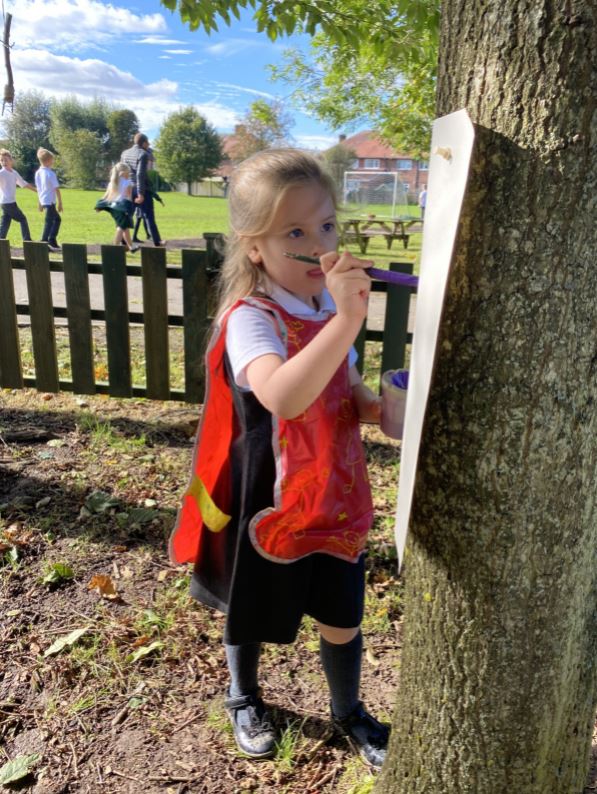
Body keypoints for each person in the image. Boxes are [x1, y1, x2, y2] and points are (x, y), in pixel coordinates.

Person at [169, 149, 390, 768]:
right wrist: (348, 320)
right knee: (252, 604)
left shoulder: (325, 311)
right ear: (256, 247)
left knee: (342, 610)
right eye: (294, 232)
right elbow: (284, 396)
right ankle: (243, 695)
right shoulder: (251, 316)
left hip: (334, 497)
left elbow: (348, 391)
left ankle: (349, 710)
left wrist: (385, 408)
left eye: (325, 226)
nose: (318, 244)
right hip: (265, 497)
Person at [121, 132, 164, 247]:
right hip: (139, 188)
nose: (149, 145)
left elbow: (122, 172)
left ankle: (123, 241)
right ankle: (157, 241)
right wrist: (140, 193)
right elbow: (140, 174)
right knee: (149, 215)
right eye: (148, 142)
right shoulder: (143, 154)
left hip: (127, 188)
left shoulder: (124, 153)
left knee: (127, 215)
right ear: (143, 143)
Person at [94, 162, 138, 253]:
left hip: (114, 208)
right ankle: (115, 248)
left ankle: (131, 246)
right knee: (121, 227)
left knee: (125, 227)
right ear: (124, 172)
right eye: (128, 172)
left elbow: (105, 196)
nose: (129, 174)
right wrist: (129, 210)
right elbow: (128, 197)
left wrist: (99, 206)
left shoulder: (112, 182)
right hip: (122, 208)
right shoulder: (128, 183)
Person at [0, 149, 36, 242]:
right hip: (8, 203)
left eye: (6, 160)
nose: (3, 162)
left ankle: (1, 240)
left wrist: (36, 191)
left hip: (8, 203)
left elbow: (23, 183)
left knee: (5, 222)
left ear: (11, 161)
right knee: (22, 219)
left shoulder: (14, 173)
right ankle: (27, 240)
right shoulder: (1, 173)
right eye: (1, 160)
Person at [132, 147, 164, 243]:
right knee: (147, 219)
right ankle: (151, 237)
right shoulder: (143, 176)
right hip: (142, 198)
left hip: (137, 197)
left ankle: (142, 236)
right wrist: (159, 199)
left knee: (141, 219)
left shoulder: (138, 174)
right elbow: (151, 191)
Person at [35, 148, 63, 252]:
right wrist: (60, 203)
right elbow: (57, 189)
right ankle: (44, 242)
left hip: (44, 201)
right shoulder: (50, 174)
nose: (53, 161)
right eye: (52, 160)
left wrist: (40, 203)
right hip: (50, 201)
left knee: (56, 219)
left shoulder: (38, 172)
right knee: (49, 222)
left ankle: (51, 240)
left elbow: (39, 189)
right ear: (48, 161)